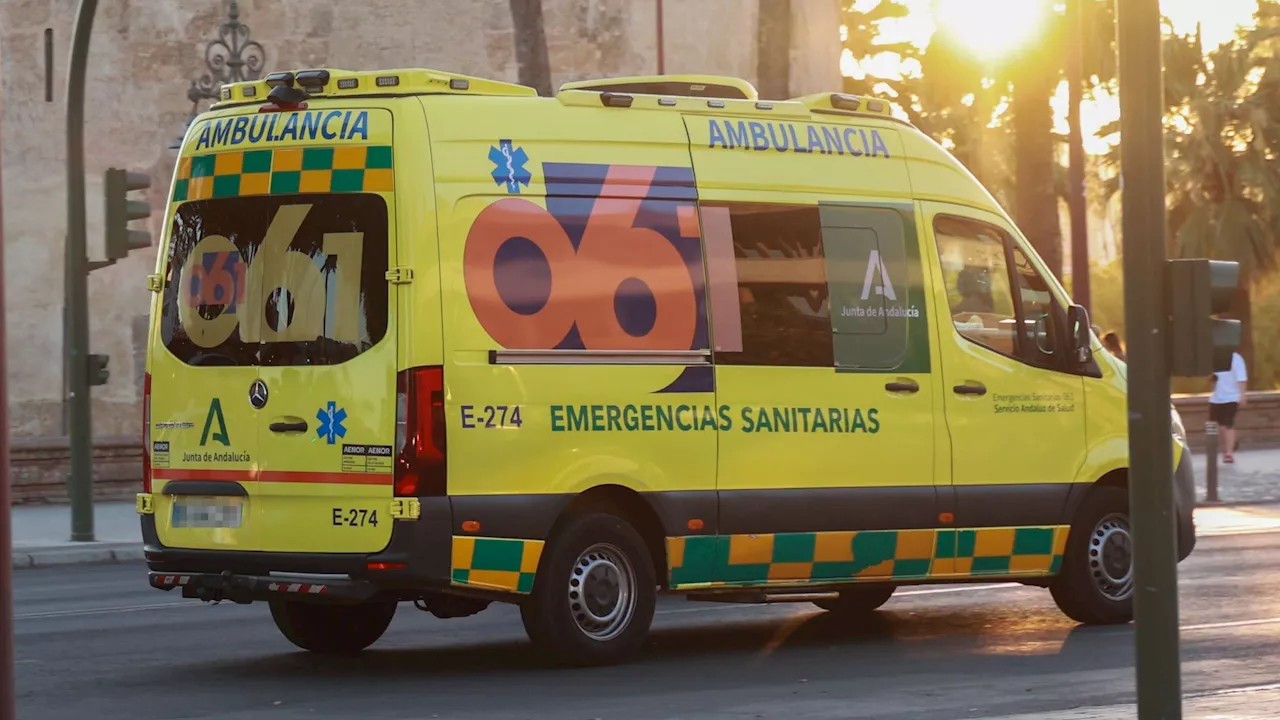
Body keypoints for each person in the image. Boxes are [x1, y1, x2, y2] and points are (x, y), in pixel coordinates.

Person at [1209, 351, 1248, 463]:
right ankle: (1228, 446)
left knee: (1228, 424)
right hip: (1216, 397)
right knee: (1219, 426)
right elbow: (1212, 379)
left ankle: (1229, 453)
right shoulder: (1214, 358)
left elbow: (1242, 377)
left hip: (1232, 396)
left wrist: (1243, 394)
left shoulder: (1236, 358)